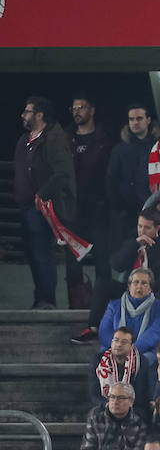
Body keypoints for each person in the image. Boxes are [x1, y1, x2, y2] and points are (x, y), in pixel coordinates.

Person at [14, 95, 75, 309]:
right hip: (25, 208)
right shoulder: (26, 140)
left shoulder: (53, 138)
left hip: (42, 208)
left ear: (40, 114)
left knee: (42, 254)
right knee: (32, 254)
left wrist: (42, 194)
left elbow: (62, 173)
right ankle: (40, 298)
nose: (23, 115)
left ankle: (46, 301)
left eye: (28, 111)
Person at [98, 268, 160, 353]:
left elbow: (156, 332)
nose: (139, 286)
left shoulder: (158, 306)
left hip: (143, 351)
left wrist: (132, 350)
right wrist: (119, 347)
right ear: (129, 286)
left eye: (144, 283)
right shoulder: (114, 305)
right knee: (100, 358)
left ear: (150, 288)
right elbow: (104, 331)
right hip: (114, 349)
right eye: (136, 282)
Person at [89, 326, 153, 410]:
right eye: (116, 340)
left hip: (132, 408)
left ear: (131, 346)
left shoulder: (141, 362)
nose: (119, 345)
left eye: (124, 342)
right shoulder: (98, 360)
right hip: (105, 407)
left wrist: (124, 406)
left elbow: (141, 395)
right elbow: (94, 394)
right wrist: (110, 405)